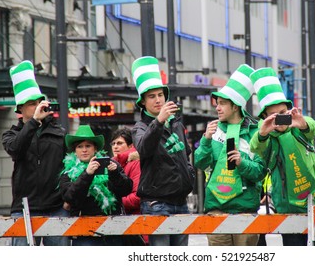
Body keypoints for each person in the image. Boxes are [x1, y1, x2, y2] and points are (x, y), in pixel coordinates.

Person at [249, 67, 315, 246]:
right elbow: (255, 146)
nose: (279, 119)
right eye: (273, 115)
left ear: (289, 110)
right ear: (264, 117)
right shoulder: (265, 136)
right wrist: (264, 132)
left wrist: (302, 124)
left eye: (282, 113)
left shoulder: (299, 127)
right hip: (288, 209)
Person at [194, 64, 266, 246]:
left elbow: (259, 171)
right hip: (215, 208)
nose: (218, 108)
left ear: (236, 106)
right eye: (217, 104)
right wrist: (206, 139)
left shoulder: (256, 132)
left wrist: (242, 163)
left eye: (223, 103)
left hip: (245, 209)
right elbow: (200, 163)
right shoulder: (213, 130)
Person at [2, 60, 70, 246]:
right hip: (24, 207)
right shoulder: (11, 135)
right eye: (31, 104)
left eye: (39, 102)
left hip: (56, 208)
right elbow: (16, 150)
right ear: (20, 109)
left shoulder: (59, 132)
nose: (37, 107)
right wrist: (33, 123)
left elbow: (69, 166)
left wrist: (67, 200)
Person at [130, 56, 195, 246]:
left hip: (181, 201)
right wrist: (158, 121)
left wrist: (188, 175)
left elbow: (186, 154)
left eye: (160, 95)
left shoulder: (176, 123)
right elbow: (143, 148)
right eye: (152, 96)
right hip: (157, 204)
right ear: (142, 102)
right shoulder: (140, 127)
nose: (158, 100)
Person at [59, 124, 133, 246]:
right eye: (80, 146)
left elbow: (126, 190)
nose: (84, 150)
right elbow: (70, 197)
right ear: (75, 150)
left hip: (113, 229)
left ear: (95, 149)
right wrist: (87, 174)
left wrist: (115, 174)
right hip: (84, 231)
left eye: (88, 146)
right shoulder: (68, 172)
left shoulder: (110, 164)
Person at [110, 127, 147, 245]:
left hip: (134, 225)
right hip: (118, 224)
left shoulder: (135, 163)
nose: (115, 146)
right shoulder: (111, 164)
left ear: (131, 146)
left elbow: (137, 197)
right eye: (113, 143)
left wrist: (113, 203)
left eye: (120, 143)